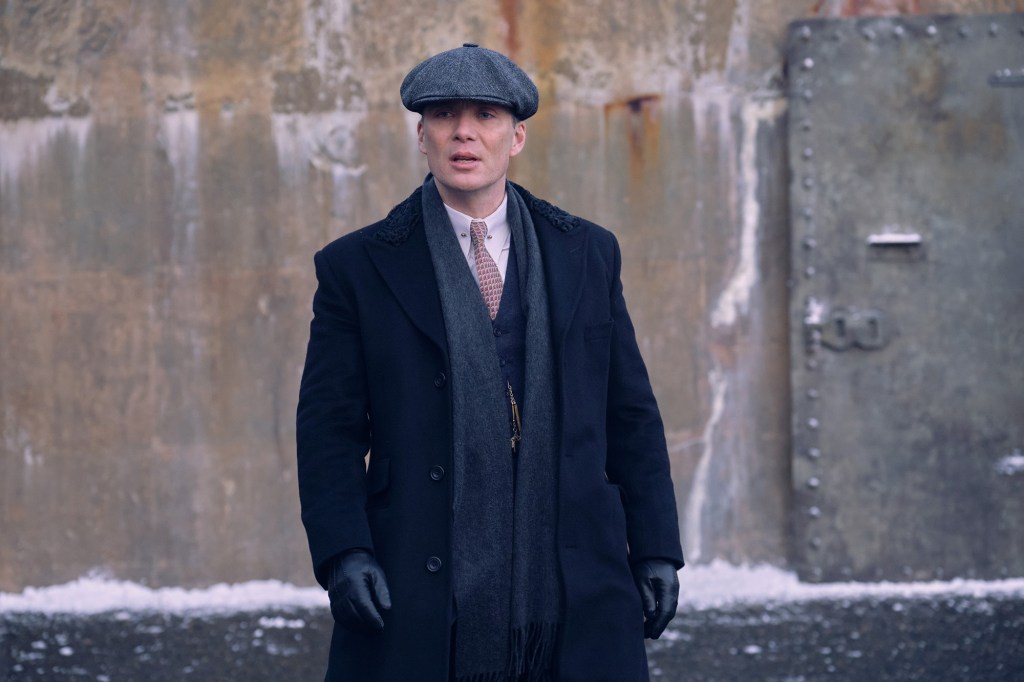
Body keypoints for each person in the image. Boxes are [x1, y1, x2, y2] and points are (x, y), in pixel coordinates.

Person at [296, 43, 684, 682]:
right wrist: (344, 550)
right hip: (417, 569)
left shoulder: (586, 252)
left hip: (574, 572)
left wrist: (656, 548)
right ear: (422, 136)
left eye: (486, 115)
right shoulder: (358, 267)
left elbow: (630, 411)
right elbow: (329, 430)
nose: (465, 132)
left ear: (517, 136)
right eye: (444, 115)